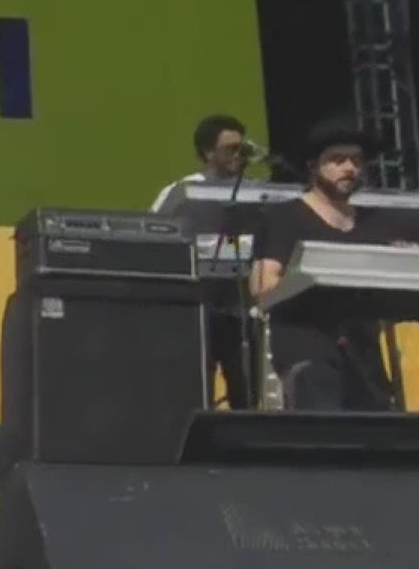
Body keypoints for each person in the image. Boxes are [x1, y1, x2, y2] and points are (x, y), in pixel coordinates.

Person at [248, 116, 399, 411]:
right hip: (309, 351)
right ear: (313, 166)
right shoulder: (285, 217)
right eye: (338, 160)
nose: (349, 168)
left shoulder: (373, 224)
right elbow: (262, 287)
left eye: (356, 161)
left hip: (365, 358)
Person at [152, 114, 256, 408]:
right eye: (231, 149)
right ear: (209, 152)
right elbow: (159, 239)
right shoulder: (182, 191)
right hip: (197, 305)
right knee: (197, 388)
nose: (239, 155)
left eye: (243, 149)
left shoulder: (255, 192)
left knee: (247, 388)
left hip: (241, 307)